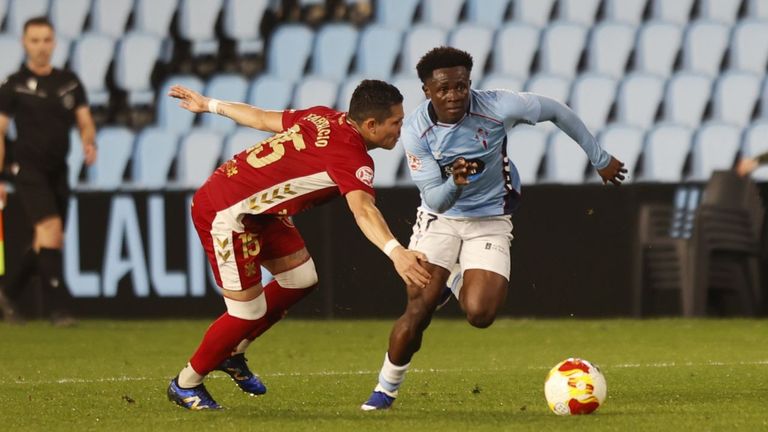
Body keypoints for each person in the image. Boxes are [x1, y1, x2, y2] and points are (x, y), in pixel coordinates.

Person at [360, 47, 626, 410]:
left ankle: (453, 276)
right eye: (443, 89)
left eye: (460, 86)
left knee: (480, 315)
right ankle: (384, 391)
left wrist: (600, 157)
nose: (453, 95)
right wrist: (455, 181)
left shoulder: (500, 106)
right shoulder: (416, 131)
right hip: (440, 219)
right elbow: (436, 200)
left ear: (470, 84)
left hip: (490, 219)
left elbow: (557, 111)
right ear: (427, 91)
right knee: (419, 308)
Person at [165, 79, 431, 410]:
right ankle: (185, 383)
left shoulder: (322, 117)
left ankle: (232, 353)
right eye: (396, 123)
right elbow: (363, 209)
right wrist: (397, 252)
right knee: (248, 311)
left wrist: (210, 104)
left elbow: (261, 118)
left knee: (301, 279)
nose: (400, 129)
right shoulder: (352, 157)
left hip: (260, 211)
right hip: (228, 212)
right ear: (371, 125)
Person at [0, 17, 97, 325]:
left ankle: (7, 293)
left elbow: (84, 120)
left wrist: (88, 141)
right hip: (27, 168)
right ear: (24, 43)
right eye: (35, 40)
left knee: (49, 240)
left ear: (54, 43)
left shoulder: (69, 82)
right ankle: (57, 308)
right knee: (51, 230)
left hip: (59, 170)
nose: (41, 47)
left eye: (46, 40)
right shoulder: (13, 84)